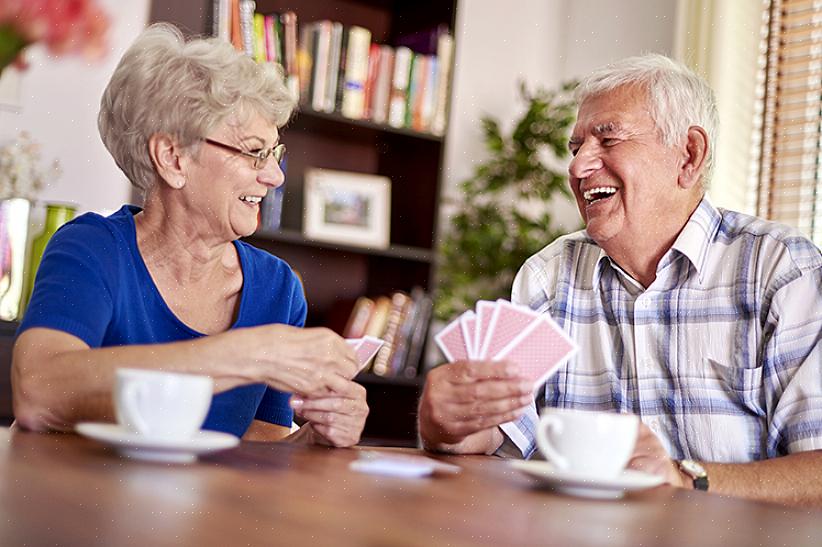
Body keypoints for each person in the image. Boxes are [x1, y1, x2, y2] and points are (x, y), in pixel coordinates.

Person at [419, 54, 822, 506]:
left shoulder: (780, 271)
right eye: (576, 148)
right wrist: (449, 424)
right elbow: (497, 438)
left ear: (689, 154)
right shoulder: (549, 279)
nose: (577, 168)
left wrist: (686, 479)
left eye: (608, 140)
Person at [12, 23, 368, 447]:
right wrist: (247, 355)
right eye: (255, 152)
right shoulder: (91, 250)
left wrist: (316, 437)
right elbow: (39, 392)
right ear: (173, 158)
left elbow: (261, 446)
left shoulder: (277, 287)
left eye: (274, 153)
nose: (274, 176)